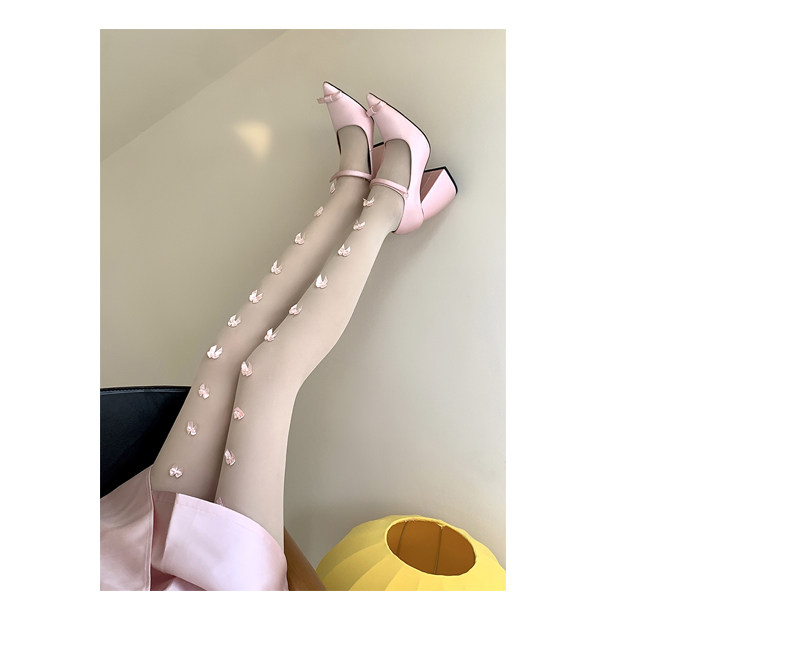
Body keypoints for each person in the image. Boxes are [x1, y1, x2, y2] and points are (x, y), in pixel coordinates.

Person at [100, 82, 458, 590]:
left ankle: (349, 192)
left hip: (115, 551)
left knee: (221, 362)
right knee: (266, 376)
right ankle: (386, 207)